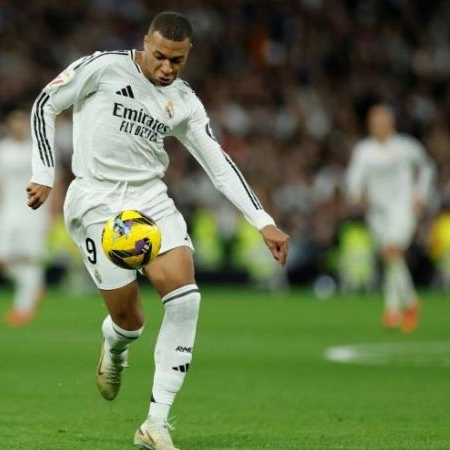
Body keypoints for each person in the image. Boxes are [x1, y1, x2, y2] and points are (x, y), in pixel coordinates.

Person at [26, 12, 289, 450]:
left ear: (188, 57)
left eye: (177, 61)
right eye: (160, 56)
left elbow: (218, 164)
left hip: (150, 202)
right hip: (95, 200)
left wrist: (263, 220)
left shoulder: (185, 101)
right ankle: (115, 344)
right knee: (129, 321)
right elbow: (45, 104)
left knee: (186, 297)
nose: (167, 68)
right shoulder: (104, 66)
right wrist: (43, 172)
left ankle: (156, 422)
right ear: (145, 42)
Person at [346, 104, 436, 333]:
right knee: (391, 258)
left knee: (392, 251)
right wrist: (357, 195)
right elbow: (353, 180)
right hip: (377, 211)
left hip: (402, 208)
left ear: (391, 123)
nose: (378, 126)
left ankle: (397, 307)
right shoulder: (364, 150)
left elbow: (427, 168)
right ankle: (405, 305)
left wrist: (421, 194)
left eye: (382, 121)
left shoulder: (406, 147)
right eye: (374, 122)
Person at [0, 110, 51, 327]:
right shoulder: (2, 150)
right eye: (14, 123)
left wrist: (54, 211)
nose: (18, 127)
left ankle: (23, 308)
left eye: (21, 123)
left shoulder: (39, 148)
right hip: (7, 209)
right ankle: (33, 285)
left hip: (33, 210)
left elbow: (52, 183)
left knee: (29, 256)